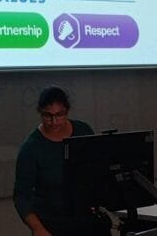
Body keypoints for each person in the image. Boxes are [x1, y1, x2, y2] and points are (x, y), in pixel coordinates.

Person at [13, 86, 110, 236]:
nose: (53, 121)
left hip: (86, 216)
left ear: (67, 111)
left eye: (59, 115)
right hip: (51, 222)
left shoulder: (82, 131)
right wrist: (38, 229)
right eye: (47, 115)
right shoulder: (31, 148)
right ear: (40, 112)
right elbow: (21, 196)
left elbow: (96, 171)